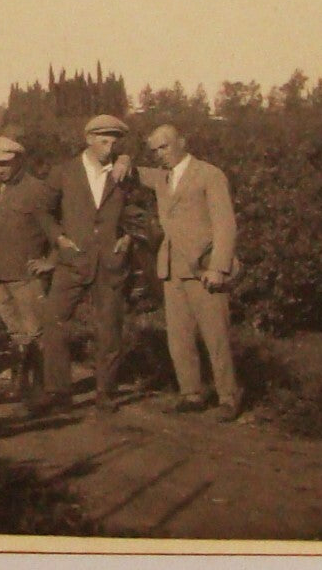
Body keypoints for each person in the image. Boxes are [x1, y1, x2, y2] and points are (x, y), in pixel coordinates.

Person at [36, 115, 153, 416]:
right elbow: (44, 211)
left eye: (114, 142)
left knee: (109, 329)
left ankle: (106, 393)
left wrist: (127, 237)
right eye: (103, 141)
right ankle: (59, 391)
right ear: (88, 139)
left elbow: (138, 209)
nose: (109, 147)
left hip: (111, 263)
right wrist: (59, 238)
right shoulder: (63, 172)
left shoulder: (125, 172)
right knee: (54, 321)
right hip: (73, 260)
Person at [135, 124, 244, 422]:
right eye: (154, 149)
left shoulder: (209, 174)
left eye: (165, 147)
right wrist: (121, 161)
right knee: (179, 337)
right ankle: (191, 393)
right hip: (172, 268)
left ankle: (227, 397)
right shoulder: (162, 177)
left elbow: (225, 224)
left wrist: (219, 268)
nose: (160, 154)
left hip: (205, 268)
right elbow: (135, 173)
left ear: (182, 142)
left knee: (215, 336)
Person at [0, 136, 57, 401]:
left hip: (26, 276)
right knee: (17, 332)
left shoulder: (37, 190)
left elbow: (59, 230)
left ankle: (43, 389)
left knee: (36, 332)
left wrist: (51, 261)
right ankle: (21, 385)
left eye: (5, 163)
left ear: (18, 160)